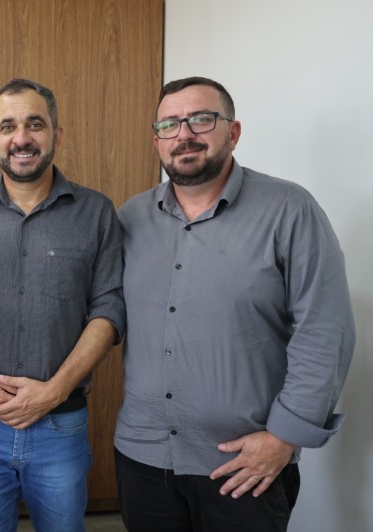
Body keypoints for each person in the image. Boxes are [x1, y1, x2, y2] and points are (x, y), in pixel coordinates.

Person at [115, 76, 355, 532]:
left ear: (233, 131)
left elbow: (327, 330)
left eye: (201, 120)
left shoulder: (290, 209)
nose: (183, 134)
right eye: (169, 124)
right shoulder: (129, 219)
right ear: (157, 140)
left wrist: (285, 437)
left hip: (246, 467)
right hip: (143, 460)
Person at [0, 78, 125, 532]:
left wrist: (55, 390)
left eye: (34, 125)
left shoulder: (97, 213)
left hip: (61, 424)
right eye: (8, 127)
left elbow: (109, 308)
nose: (21, 139)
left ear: (56, 135)